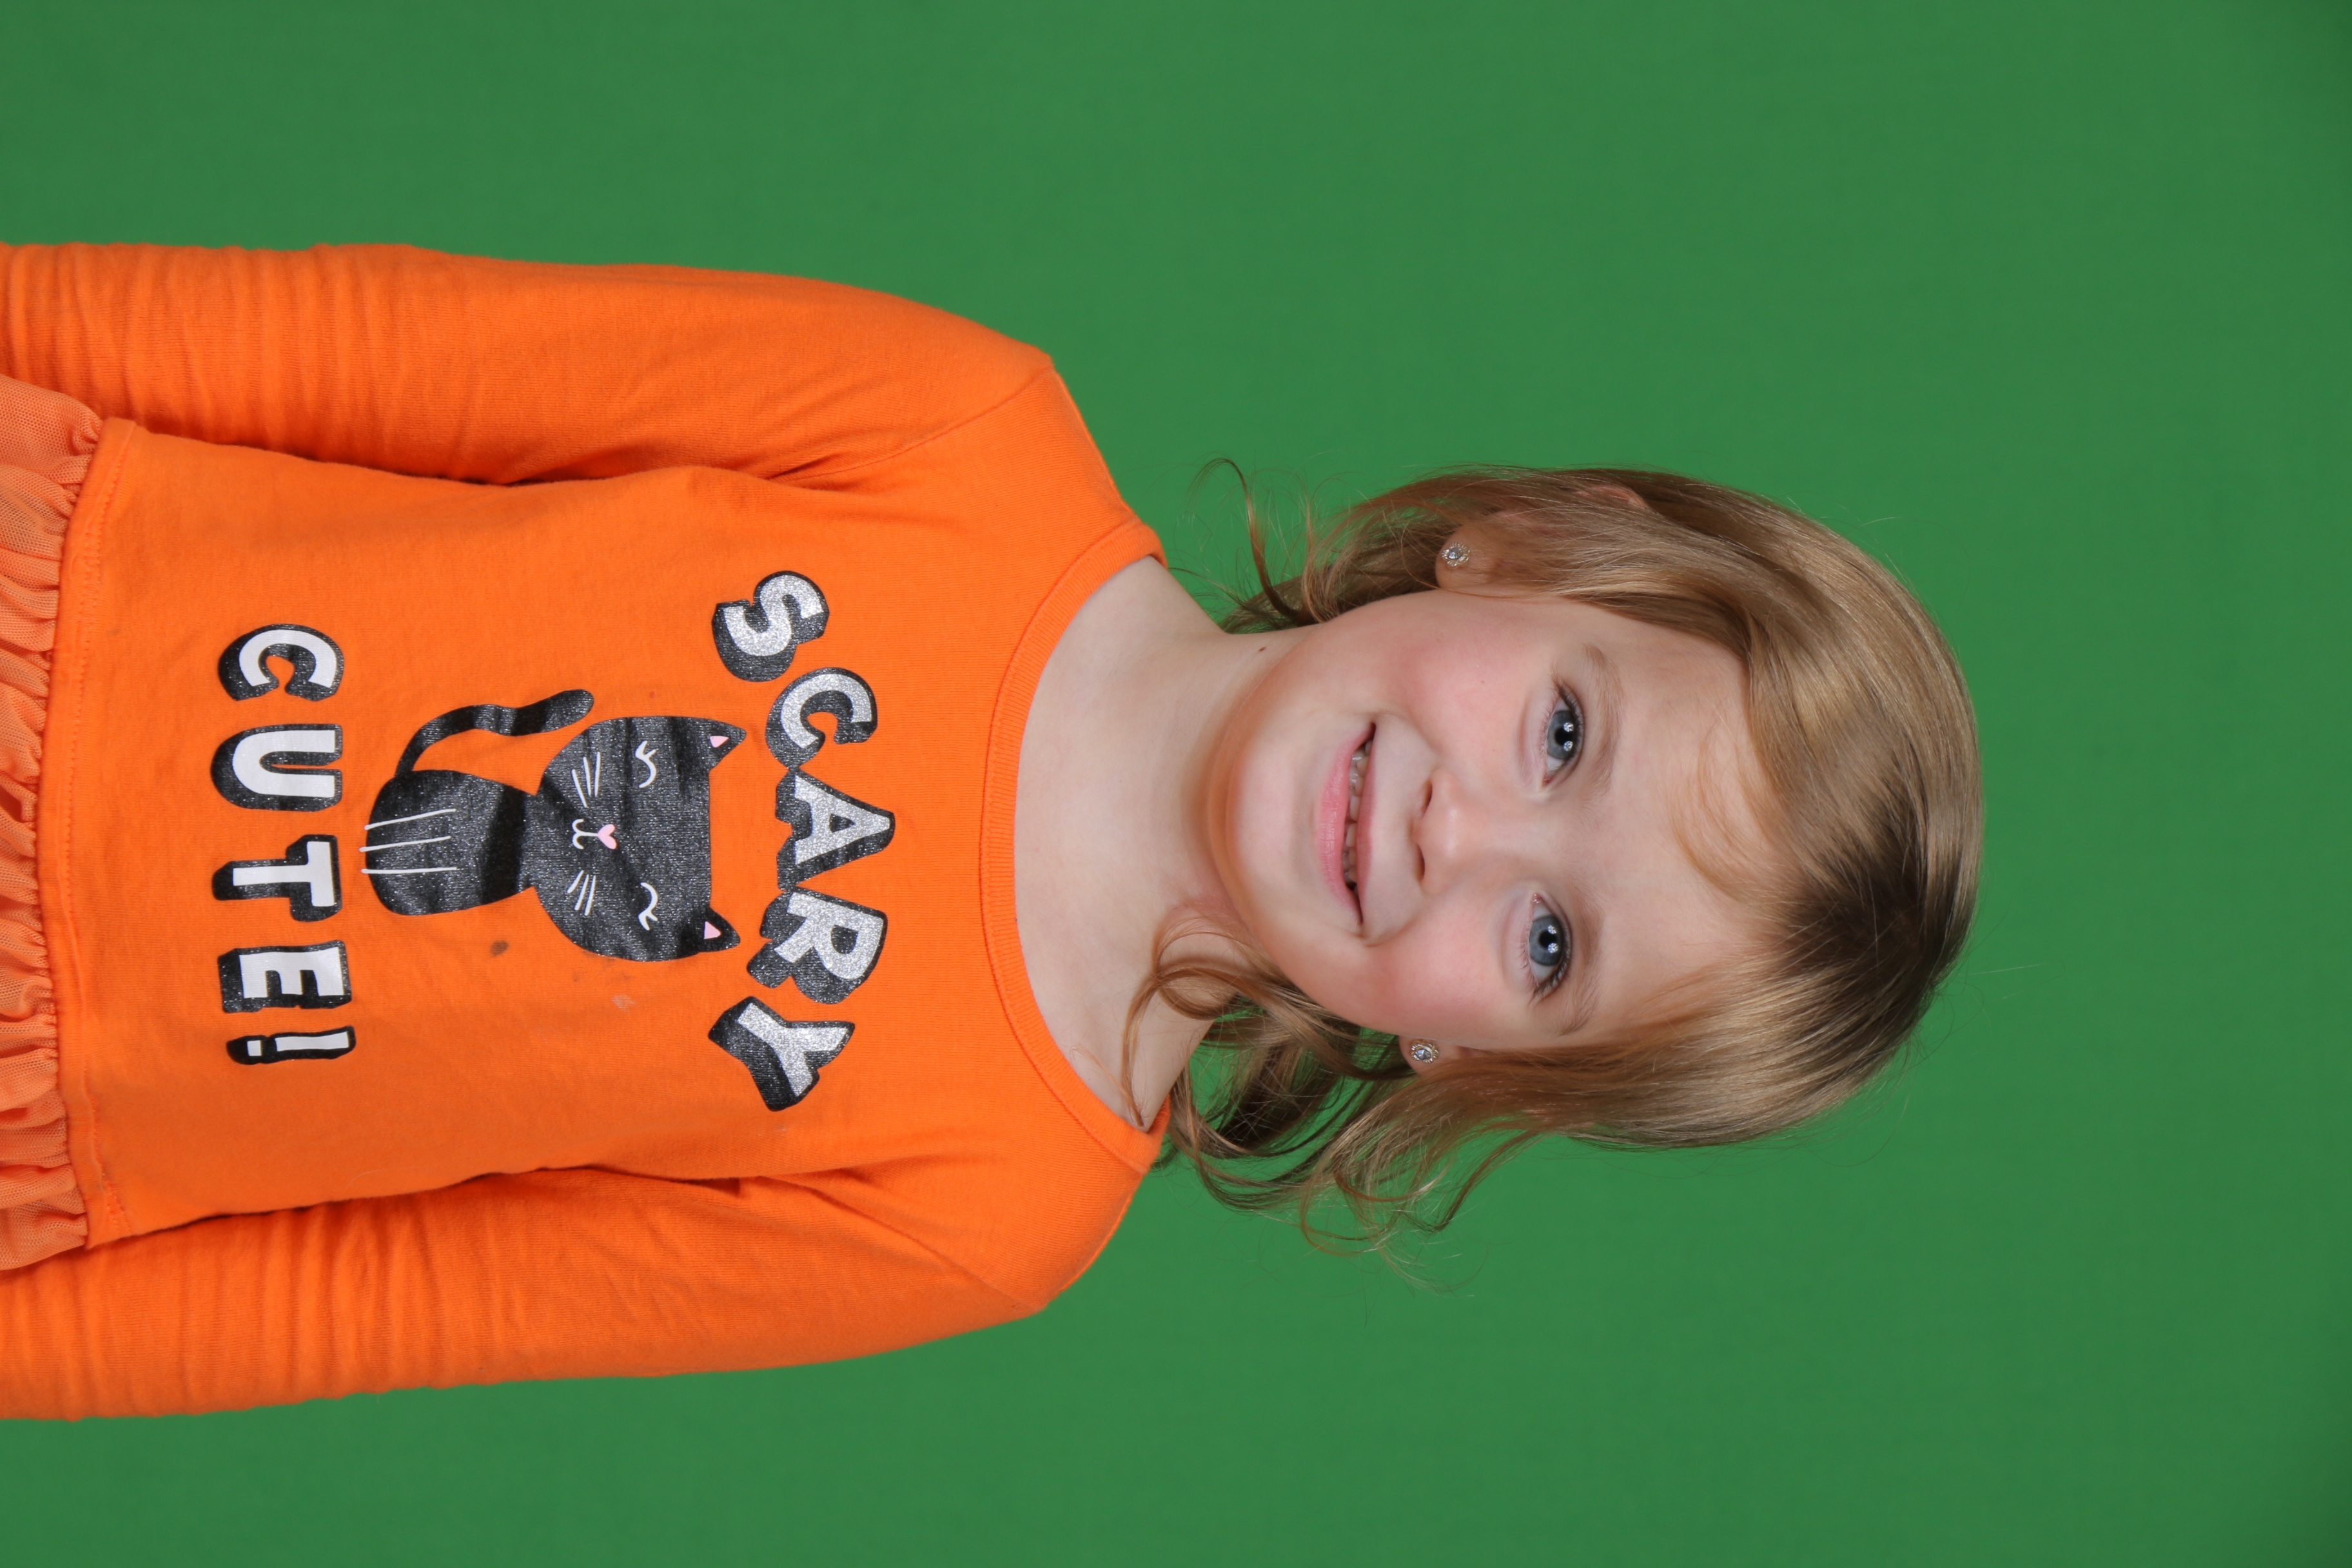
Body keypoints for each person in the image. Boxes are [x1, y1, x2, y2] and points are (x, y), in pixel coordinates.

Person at [0, 243, 1978, 1418]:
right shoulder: (958, 435)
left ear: (1470, 1058)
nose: (1469, 835)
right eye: (1562, 732)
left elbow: (388, 1303)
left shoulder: (991, 1211)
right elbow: (358, 353)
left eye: (1549, 945)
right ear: (1523, 550)